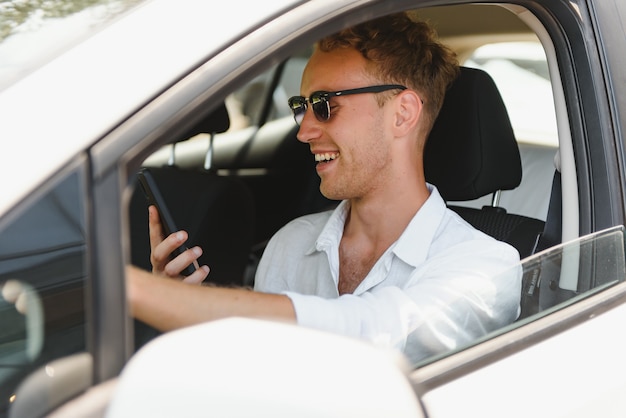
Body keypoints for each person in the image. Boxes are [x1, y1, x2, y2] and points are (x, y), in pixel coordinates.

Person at [127, 12, 522, 364]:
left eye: (324, 104)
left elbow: (375, 335)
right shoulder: (290, 245)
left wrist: (145, 293)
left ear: (402, 114)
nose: (304, 131)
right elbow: (262, 378)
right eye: (302, 107)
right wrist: (186, 323)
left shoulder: (485, 267)